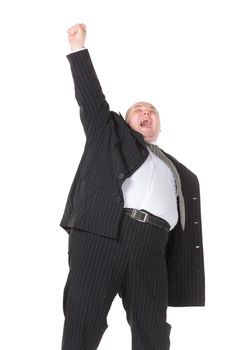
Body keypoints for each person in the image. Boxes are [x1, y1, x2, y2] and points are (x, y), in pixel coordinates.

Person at [60, 23, 205, 350]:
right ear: (126, 121)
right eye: (139, 109)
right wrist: (78, 48)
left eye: (152, 111)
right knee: (84, 321)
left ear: (158, 124)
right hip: (104, 234)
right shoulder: (108, 134)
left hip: (152, 248)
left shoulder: (176, 169)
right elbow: (91, 99)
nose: (147, 113)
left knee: (153, 331)